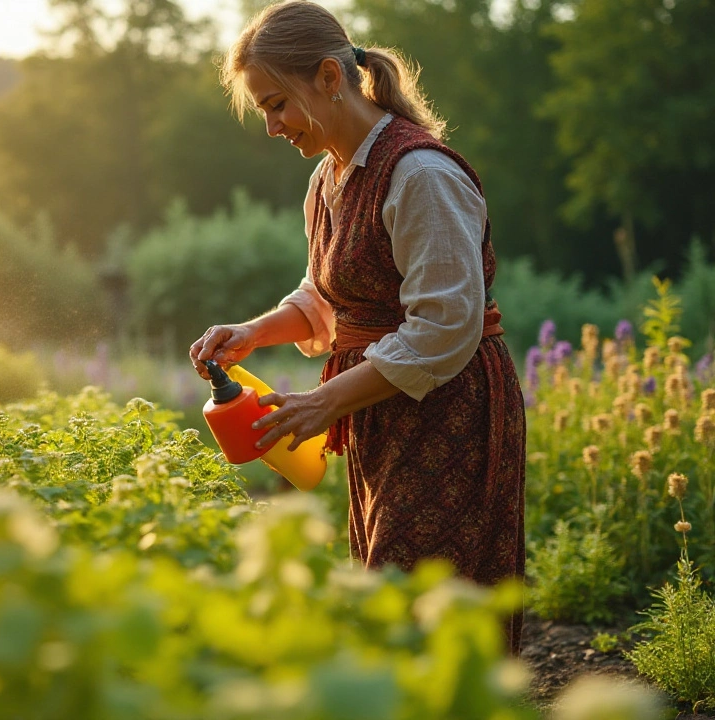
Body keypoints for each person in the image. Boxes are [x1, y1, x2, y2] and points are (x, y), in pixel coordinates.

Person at [189, 0, 526, 654]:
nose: (271, 126)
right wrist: (254, 332)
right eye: (261, 109)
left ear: (327, 77)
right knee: (390, 595)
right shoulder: (328, 179)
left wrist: (324, 401)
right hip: (382, 408)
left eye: (275, 104)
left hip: (449, 410)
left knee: (426, 601)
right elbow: (329, 298)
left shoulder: (421, 174)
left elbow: (443, 328)